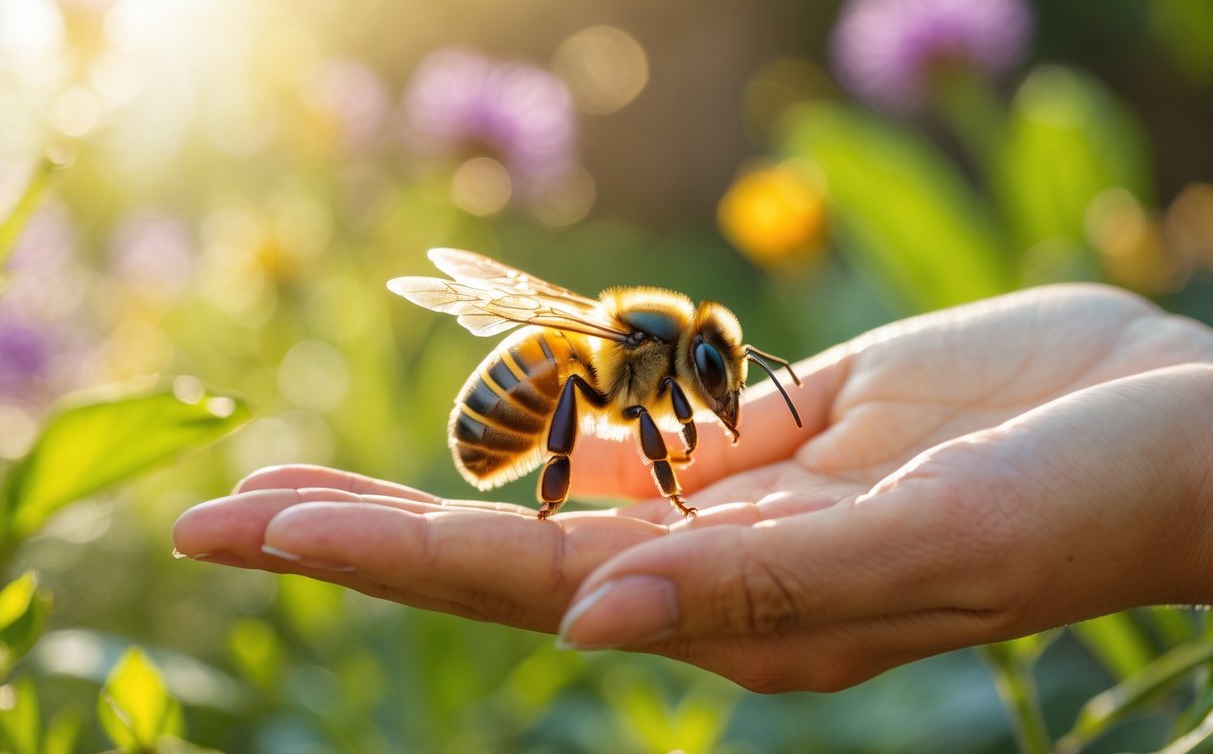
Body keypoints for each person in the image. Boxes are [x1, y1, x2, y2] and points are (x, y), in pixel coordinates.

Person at [173, 283, 1213, 693]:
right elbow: (618, 396)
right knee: (568, 392)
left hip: (544, 399)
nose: (719, 399)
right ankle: (551, 485)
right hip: (518, 406)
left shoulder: (661, 355)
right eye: (714, 380)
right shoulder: (626, 352)